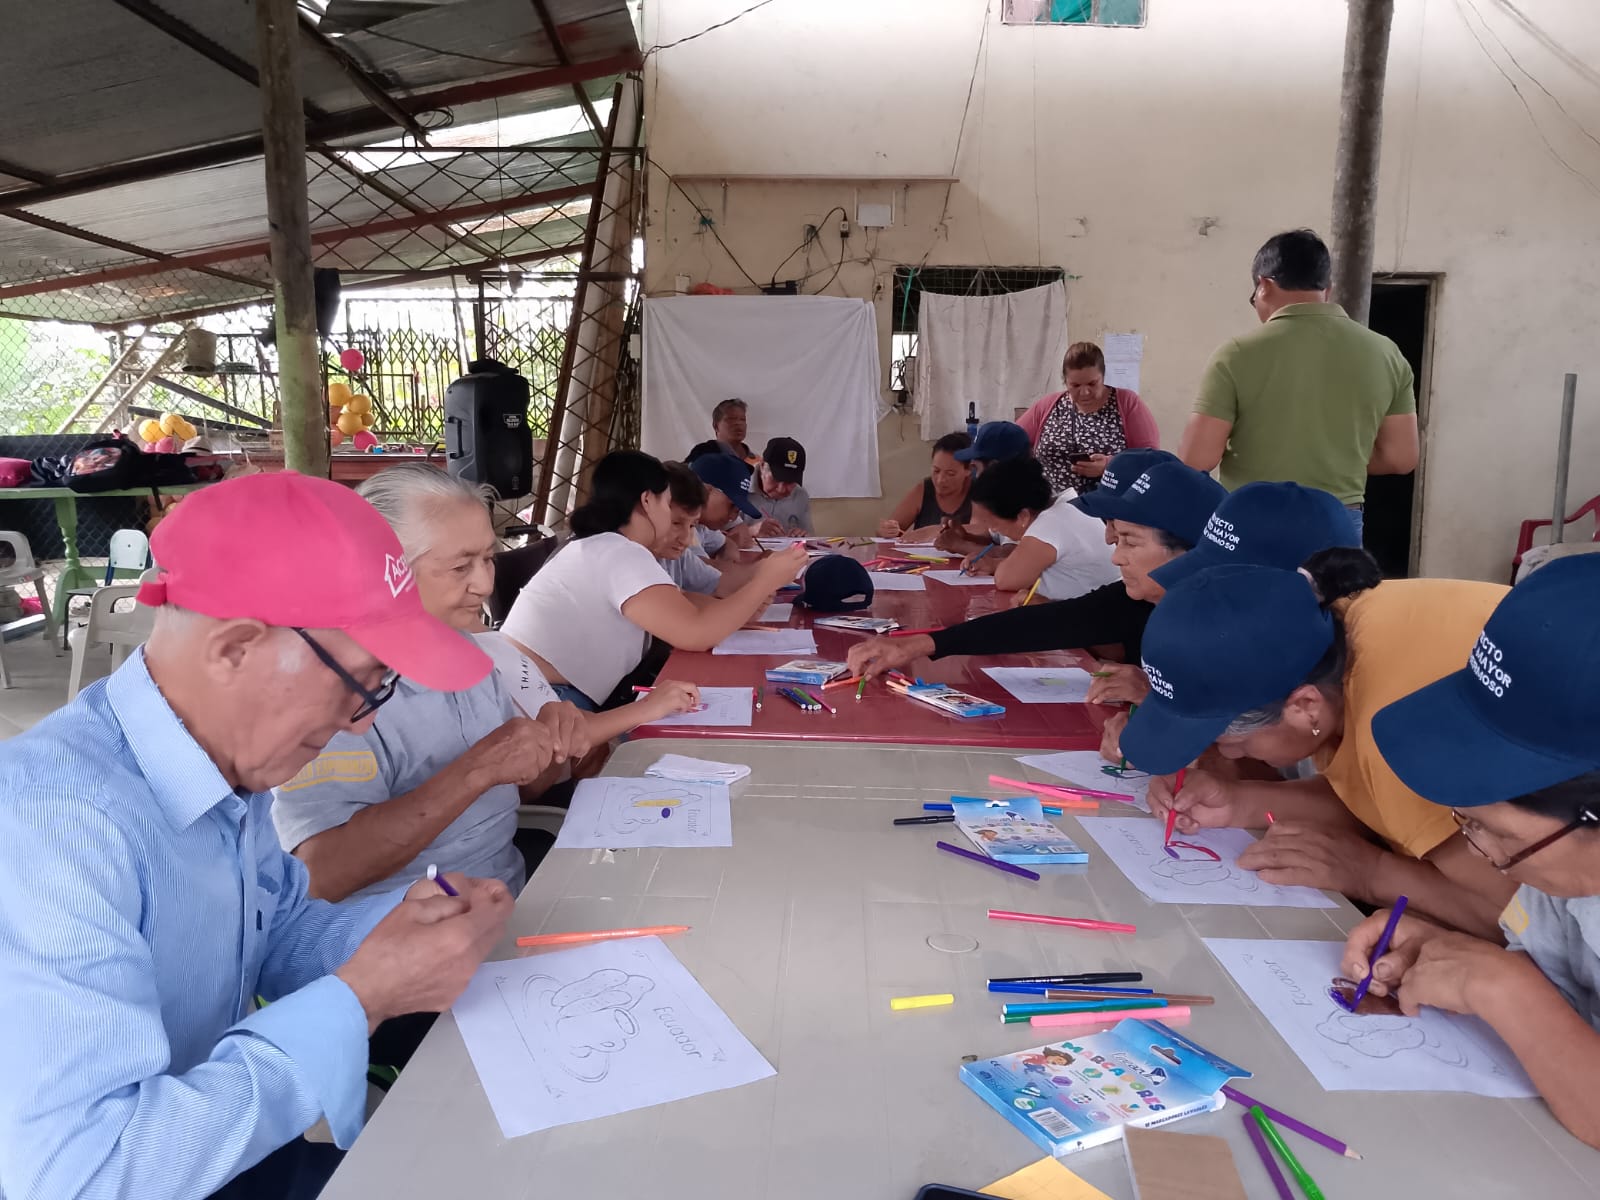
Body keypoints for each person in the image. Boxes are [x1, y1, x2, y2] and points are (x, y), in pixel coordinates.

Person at [0, 471, 514, 1199]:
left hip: (221, 1147)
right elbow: (85, 1176)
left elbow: (276, 931)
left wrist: (399, 928)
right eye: (359, 683)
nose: (362, 722)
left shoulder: (223, 766)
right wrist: (362, 997)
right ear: (236, 648)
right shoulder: (54, 828)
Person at [272, 463, 700, 906]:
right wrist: (477, 770)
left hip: (511, 894)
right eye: (461, 566)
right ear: (381, 569)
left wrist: (549, 746)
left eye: (488, 559)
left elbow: (517, 792)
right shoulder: (332, 690)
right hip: (411, 926)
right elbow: (318, 873)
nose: (484, 583)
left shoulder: (471, 654)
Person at [1336, 557, 1600, 1150]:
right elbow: (1563, 989)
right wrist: (1451, 954)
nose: (1478, 852)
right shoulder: (1568, 875)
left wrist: (1505, 990)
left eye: (1492, 831)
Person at [1123, 562, 1516, 937]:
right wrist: (1236, 802)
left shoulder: (1397, 727)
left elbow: (1513, 919)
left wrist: (1368, 871)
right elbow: (1370, 800)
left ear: (1305, 706)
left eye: (1234, 742)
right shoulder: (1321, 626)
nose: (1228, 757)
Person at [848, 450, 1221, 681]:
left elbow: (1241, 742)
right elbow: (1045, 623)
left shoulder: (1223, 625)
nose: (1112, 550)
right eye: (1112, 528)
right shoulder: (1134, 598)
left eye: (1129, 540)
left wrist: (1155, 699)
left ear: (1187, 552)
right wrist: (919, 645)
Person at [500, 450, 807, 710]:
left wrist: (743, 606)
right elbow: (696, 632)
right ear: (647, 501)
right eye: (667, 503)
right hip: (540, 698)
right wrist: (764, 581)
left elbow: (686, 604)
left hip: (545, 693)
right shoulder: (618, 552)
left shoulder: (608, 546)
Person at [1177, 229, 1419, 535]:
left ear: (1264, 285)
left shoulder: (1236, 354)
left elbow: (1196, 460)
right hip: (1337, 520)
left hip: (1253, 518)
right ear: (1327, 290)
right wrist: (1337, 457)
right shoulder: (1386, 353)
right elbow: (1401, 458)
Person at [963, 455, 1119, 602]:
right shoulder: (1067, 506)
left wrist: (996, 566)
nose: (993, 530)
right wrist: (992, 564)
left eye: (993, 523)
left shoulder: (1051, 523)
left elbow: (1005, 580)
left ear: (1023, 516)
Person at [1017, 341, 1161, 495]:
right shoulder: (1049, 406)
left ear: (1103, 377)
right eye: (1075, 385)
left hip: (1108, 506)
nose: (1085, 392)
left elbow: (1152, 459)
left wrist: (1109, 465)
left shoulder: (1127, 403)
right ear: (1065, 381)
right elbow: (1013, 438)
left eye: (1092, 384)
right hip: (1052, 503)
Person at [938, 421, 1036, 557]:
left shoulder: (1026, 498)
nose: (976, 477)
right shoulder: (1005, 493)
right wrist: (965, 537)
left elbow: (1010, 554)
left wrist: (958, 545)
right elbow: (995, 541)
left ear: (993, 467)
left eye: (976, 469)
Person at [878, 431, 976, 542]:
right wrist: (886, 530)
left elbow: (985, 530)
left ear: (969, 469)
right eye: (936, 471)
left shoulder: (980, 492)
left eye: (950, 474)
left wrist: (938, 530)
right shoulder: (924, 490)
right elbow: (890, 530)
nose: (940, 480)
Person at [689, 451, 763, 562]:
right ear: (705, 489)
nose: (733, 517)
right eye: (732, 506)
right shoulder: (682, 526)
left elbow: (728, 544)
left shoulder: (702, 526)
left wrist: (725, 561)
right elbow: (699, 570)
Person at [750, 436, 813, 535]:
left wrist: (802, 536)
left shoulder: (800, 496)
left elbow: (809, 536)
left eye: (790, 482)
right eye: (776, 479)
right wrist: (750, 531)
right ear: (762, 465)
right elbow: (724, 538)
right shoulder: (738, 488)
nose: (781, 489)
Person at [687, 397, 755, 464]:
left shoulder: (754, 460)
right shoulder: (702, 453)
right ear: (716, 426)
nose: (738, 423)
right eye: (731, 419)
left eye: (742, 419)